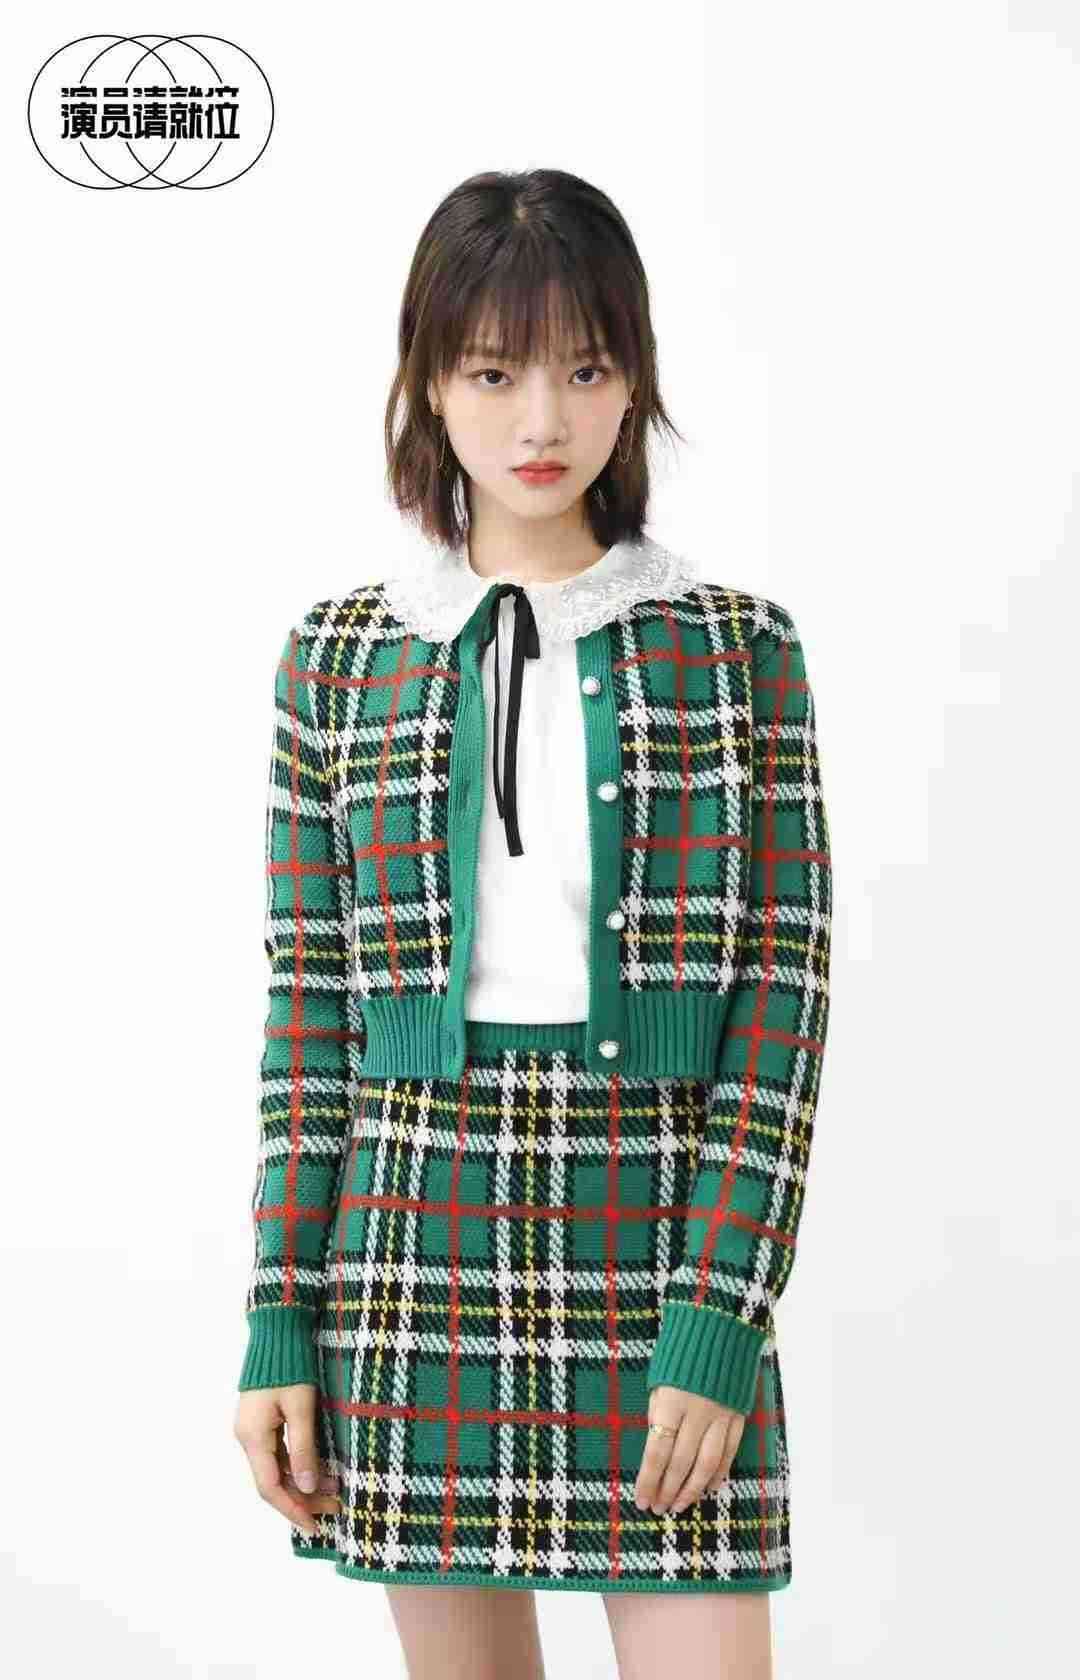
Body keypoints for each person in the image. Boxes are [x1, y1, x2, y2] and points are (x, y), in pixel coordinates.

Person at [232, 167, 832, 1680]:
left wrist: (722, 1316)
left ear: (636, 381)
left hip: (660, 1231)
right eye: (495, 373)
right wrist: (278, 1318)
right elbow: (310, 1017)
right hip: (410, 1248)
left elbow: (783, 1007)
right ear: (430, 386)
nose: (543, 420)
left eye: (586, 367)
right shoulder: (338, 661)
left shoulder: (739, 653)